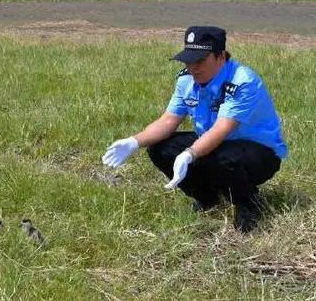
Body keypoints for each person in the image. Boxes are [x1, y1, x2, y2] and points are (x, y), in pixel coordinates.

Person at [102, 26, 287, 233]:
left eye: (200, 61)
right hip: (212, 143)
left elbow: (221, 129)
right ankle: (207, 199)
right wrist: (134, 141)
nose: (193, 67)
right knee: (161, 148)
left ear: (221, 57)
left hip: (258, 153)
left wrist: (190, 153)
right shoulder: (186, 80)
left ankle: (248, 203)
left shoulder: (242, 81)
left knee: (224, 157)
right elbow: (168, 121)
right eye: (189, 61)